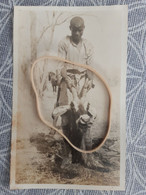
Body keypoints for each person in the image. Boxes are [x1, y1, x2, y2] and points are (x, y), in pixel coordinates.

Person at [55, 16, 95, 163]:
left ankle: (88, 153)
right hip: (67, 79)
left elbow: (90, 68)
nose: (77, 33)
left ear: (83, 29)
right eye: (74, 30)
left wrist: (87, 84)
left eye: (80, 30)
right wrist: (70, 86)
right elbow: (61, 66)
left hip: (83, 80)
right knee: (66, 115)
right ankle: (66, 153)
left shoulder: (88, 45)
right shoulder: (64, 43)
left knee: (85, 114)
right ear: (70, 29)